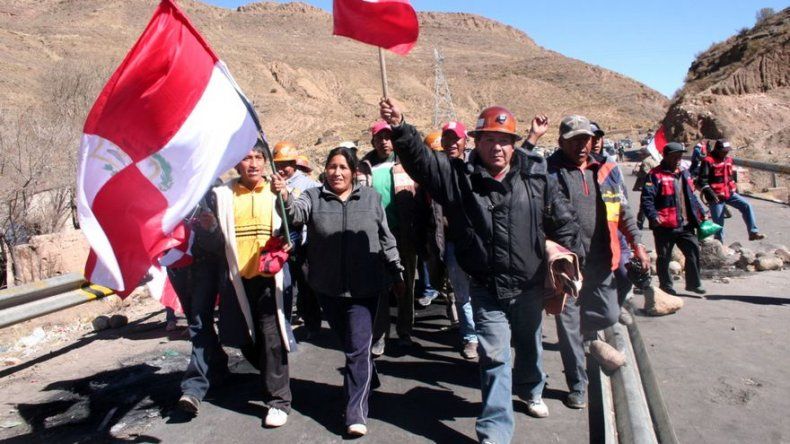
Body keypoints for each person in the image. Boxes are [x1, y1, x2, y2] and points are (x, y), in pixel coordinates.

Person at [380, 98, 583, 444]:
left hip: (529, 286)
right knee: (495, 358)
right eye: (489, 139)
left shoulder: (536, 177)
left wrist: (567, 258)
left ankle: (531, 389)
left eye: (503, 140)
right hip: (486, 288)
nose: (497, 147)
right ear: (476, 141)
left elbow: (563, 222)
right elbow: (423, 163)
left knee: (530, 349)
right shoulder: (459, 178)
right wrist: (401, 127)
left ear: (513, 143)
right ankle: (495, 433)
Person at [272, 147, 404, 437]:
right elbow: (295, 214)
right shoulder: (313, 197)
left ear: (354, 171)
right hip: (327, 287)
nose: (337, 172)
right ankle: (368, 374)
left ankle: (355, 412)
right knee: (351, 345)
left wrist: (396, 268)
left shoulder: (370, 198)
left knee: (357, 350)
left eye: (343, 167)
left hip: (365, 287)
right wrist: (283, 197)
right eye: (332, 166)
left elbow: (385, 236)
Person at [534, 115, 649, 410]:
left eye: (585, 139)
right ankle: (577, 384)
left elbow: (623, 211)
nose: (581, 146)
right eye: (574, 140)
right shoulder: (548, 173)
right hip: (566, 264)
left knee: (609, 314)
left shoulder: (606, 170)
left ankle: (588, 338)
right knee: (567, 325)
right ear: (561, 142)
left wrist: (637, 245)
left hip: (601, 259)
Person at [194, 142, 293, 427]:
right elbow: (212, 246)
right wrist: (209, 228)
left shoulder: (276, 191)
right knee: (243, 338)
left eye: (258, 157)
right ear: (236, 164)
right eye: (246, 158)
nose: (253, 163)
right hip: (236, 281)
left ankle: (278, 401)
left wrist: (285, 201)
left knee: (272, 338)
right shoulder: (221, 195)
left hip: (269, 279)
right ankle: (271, 374)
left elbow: (294, 227)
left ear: (265, 162)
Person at [358, 120, 421, 353]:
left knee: (406, 284)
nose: (384, 142)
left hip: (404, 233)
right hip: (374, 236)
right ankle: (380, 335)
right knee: (379, 288)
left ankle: (404, 331)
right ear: (372, 140)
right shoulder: (362, 168)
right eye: (379, 137)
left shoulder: (407, 163)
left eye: (388, 137)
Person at [641, 142, 709, 296]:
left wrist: (701, 212)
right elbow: (647, 199)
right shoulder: (655, 175)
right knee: (664, 257)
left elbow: (690, 196)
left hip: (685, 224)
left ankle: (693, 283)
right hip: (664, 225)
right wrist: (653, 216)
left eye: (679, 156)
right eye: (675, 156)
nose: (678, 159)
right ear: (666, 156)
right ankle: (666, 285)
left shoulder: (684, 173)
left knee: (693, 251)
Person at [272, 141, 322, 338]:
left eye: (286, 164)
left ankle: (312, 326)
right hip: (279, 242)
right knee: (283, 286)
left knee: (306, 285)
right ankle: (284, 326)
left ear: (294, 162)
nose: (282, 169)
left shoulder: (309, 184)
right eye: (278, 165)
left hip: (303, 245)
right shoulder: (273, 184)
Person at [439, 120, 479, 360]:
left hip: (478, 242)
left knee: (485, 293)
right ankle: (470, 337)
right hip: (452, 242)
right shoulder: (438, 169)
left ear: (466, 141)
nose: (452, 143)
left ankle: (489, 334)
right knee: (462, 294)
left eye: (456, 139)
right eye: (447, 139)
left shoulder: (476, 168)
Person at [698, 139, 765, 242]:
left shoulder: (728, 160)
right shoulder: (708, 161)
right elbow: (702, 181)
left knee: (746, 206)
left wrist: (733, 187)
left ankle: (753, 232)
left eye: (727, 151)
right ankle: (719, 244)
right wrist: (709, 192)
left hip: (729, 193)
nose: (726, 153)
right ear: (717, 150)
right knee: (718, 224)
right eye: (723, 151)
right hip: (715, 196)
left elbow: (729, 176)